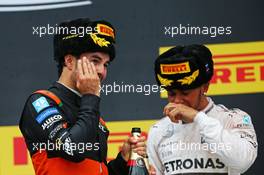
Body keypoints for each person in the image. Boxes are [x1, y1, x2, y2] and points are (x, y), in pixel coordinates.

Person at [19, 18, 146, 175]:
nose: (102, 71)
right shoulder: (41, 102)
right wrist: (91, 96)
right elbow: (73, 149)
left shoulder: (95, 119)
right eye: (95, 61)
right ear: (70, 61)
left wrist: (122, 161)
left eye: (105, 64)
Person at [147, 44, 258, 175]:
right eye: (171, 93)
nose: (177, 100)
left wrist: (198, 118)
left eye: (185, 93)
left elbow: (242, 162)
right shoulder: (158, 130)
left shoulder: (232, 118)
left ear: (205, 87)